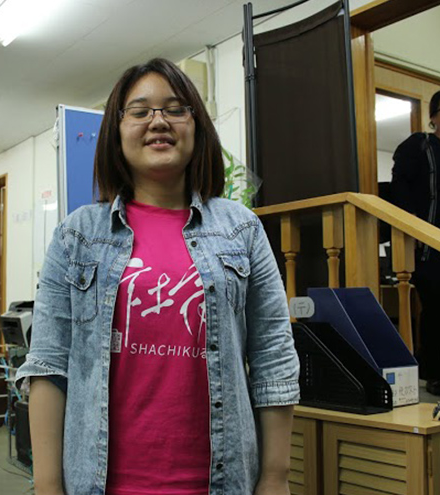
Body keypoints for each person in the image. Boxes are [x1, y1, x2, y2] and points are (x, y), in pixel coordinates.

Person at [16, 58, 300, 495]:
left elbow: (273, 358)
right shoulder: (77, 235)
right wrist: (48, 487)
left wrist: (275, 477)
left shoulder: (241, 229)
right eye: (140, 111)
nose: (158, 121)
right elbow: (49, 366)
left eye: (175, 108)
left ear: (196, 125)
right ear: (116, 131)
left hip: (221, 483)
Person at [391, 90, 440, 396]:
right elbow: (399, 185)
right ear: (434, 116)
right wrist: (412, 225)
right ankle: (433, 372)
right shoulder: (419, 145)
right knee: (436, 308)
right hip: (427, 248)